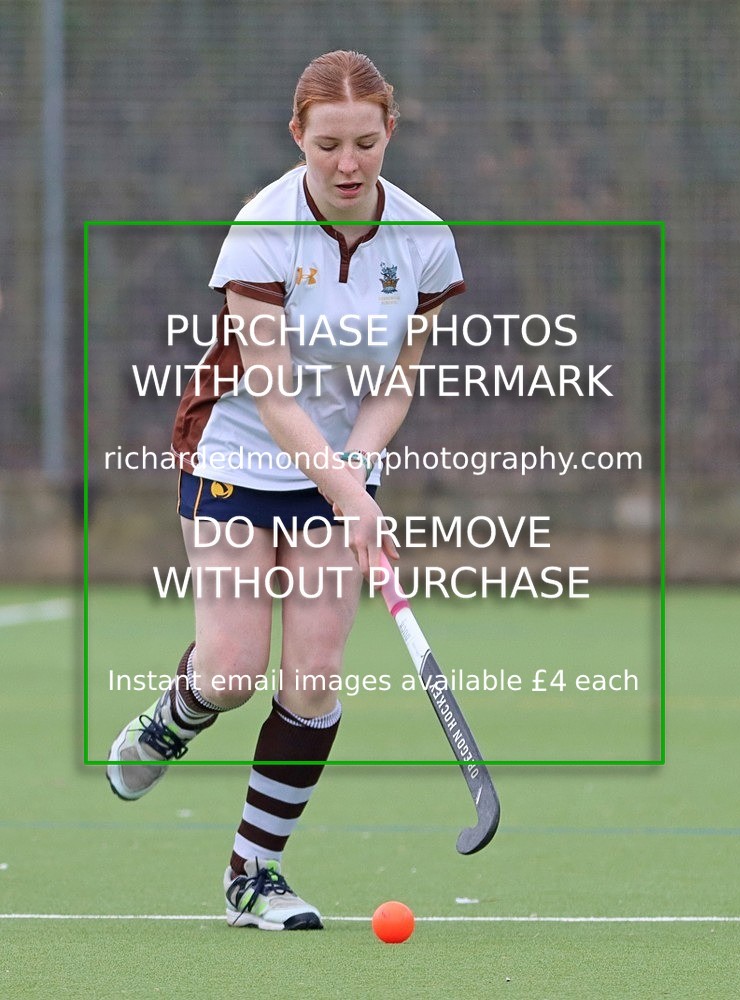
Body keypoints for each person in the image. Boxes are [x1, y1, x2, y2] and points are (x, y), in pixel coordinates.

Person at [106, 50, 466, 930]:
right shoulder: (262, 229)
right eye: (330, 145)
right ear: (297, 137)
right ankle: (177, 711)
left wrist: (357, 474)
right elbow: (268, 389)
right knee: (232, 673)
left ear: (390, 134)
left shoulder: (422, 238)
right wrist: (349, 487)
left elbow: (396, 382)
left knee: (313, 676)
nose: (349, 165)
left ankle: (253, 874)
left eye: (367, 143)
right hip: (236, 454)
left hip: (339, 466)